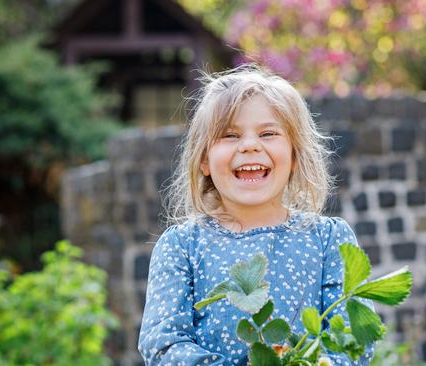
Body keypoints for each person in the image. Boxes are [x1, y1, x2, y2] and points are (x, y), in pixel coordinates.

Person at [138, 65, 375, 365]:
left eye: (268, 133)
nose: (250, 145)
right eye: (229, 135)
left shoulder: (328, 240)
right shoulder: (182, 247)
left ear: (294, 157)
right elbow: (163, 344)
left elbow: (354, 342)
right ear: (204, 160)